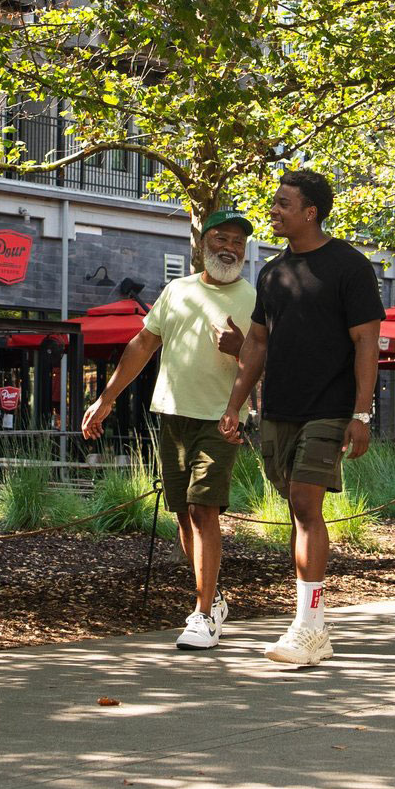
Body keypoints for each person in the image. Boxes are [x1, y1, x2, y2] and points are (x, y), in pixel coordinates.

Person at [223, 169, 383, 666]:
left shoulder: (350, 266)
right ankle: (310, 617)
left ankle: (309, 626)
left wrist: (361, 411)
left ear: (309, 211)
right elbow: (258, 344)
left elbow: (367, 343)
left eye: (282, 203)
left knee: (305, 503)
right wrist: (235, 403)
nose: (273, 210)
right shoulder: (271, 272)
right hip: (280, 409)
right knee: (297, 509)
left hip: (330, 408)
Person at [83, 210, 256, 650]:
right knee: (182, 512)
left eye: (238, 242)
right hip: (172, 415)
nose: (230, 248)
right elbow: (142, 344)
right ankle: (212, 597)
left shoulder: (255, 300)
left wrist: (240, 351)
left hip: (222, 417)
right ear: (203, 244)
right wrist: (107, 398)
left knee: (204, 510)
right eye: (221, 238)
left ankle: (201, 615)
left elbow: (268, 366)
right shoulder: (176, 290)